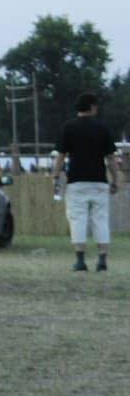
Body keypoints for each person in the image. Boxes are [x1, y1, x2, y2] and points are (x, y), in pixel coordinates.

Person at [52, 92, 120, 273]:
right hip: (99, 181)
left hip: (76, 182)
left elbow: (61, 155)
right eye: (95, 106)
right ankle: (102, 260)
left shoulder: (68, 128)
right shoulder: (102, 128)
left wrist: (55, 175)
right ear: (91, 107)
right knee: (101, 219)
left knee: (77, 219)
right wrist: (115, 179)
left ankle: (80, 260)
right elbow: (111, 158)